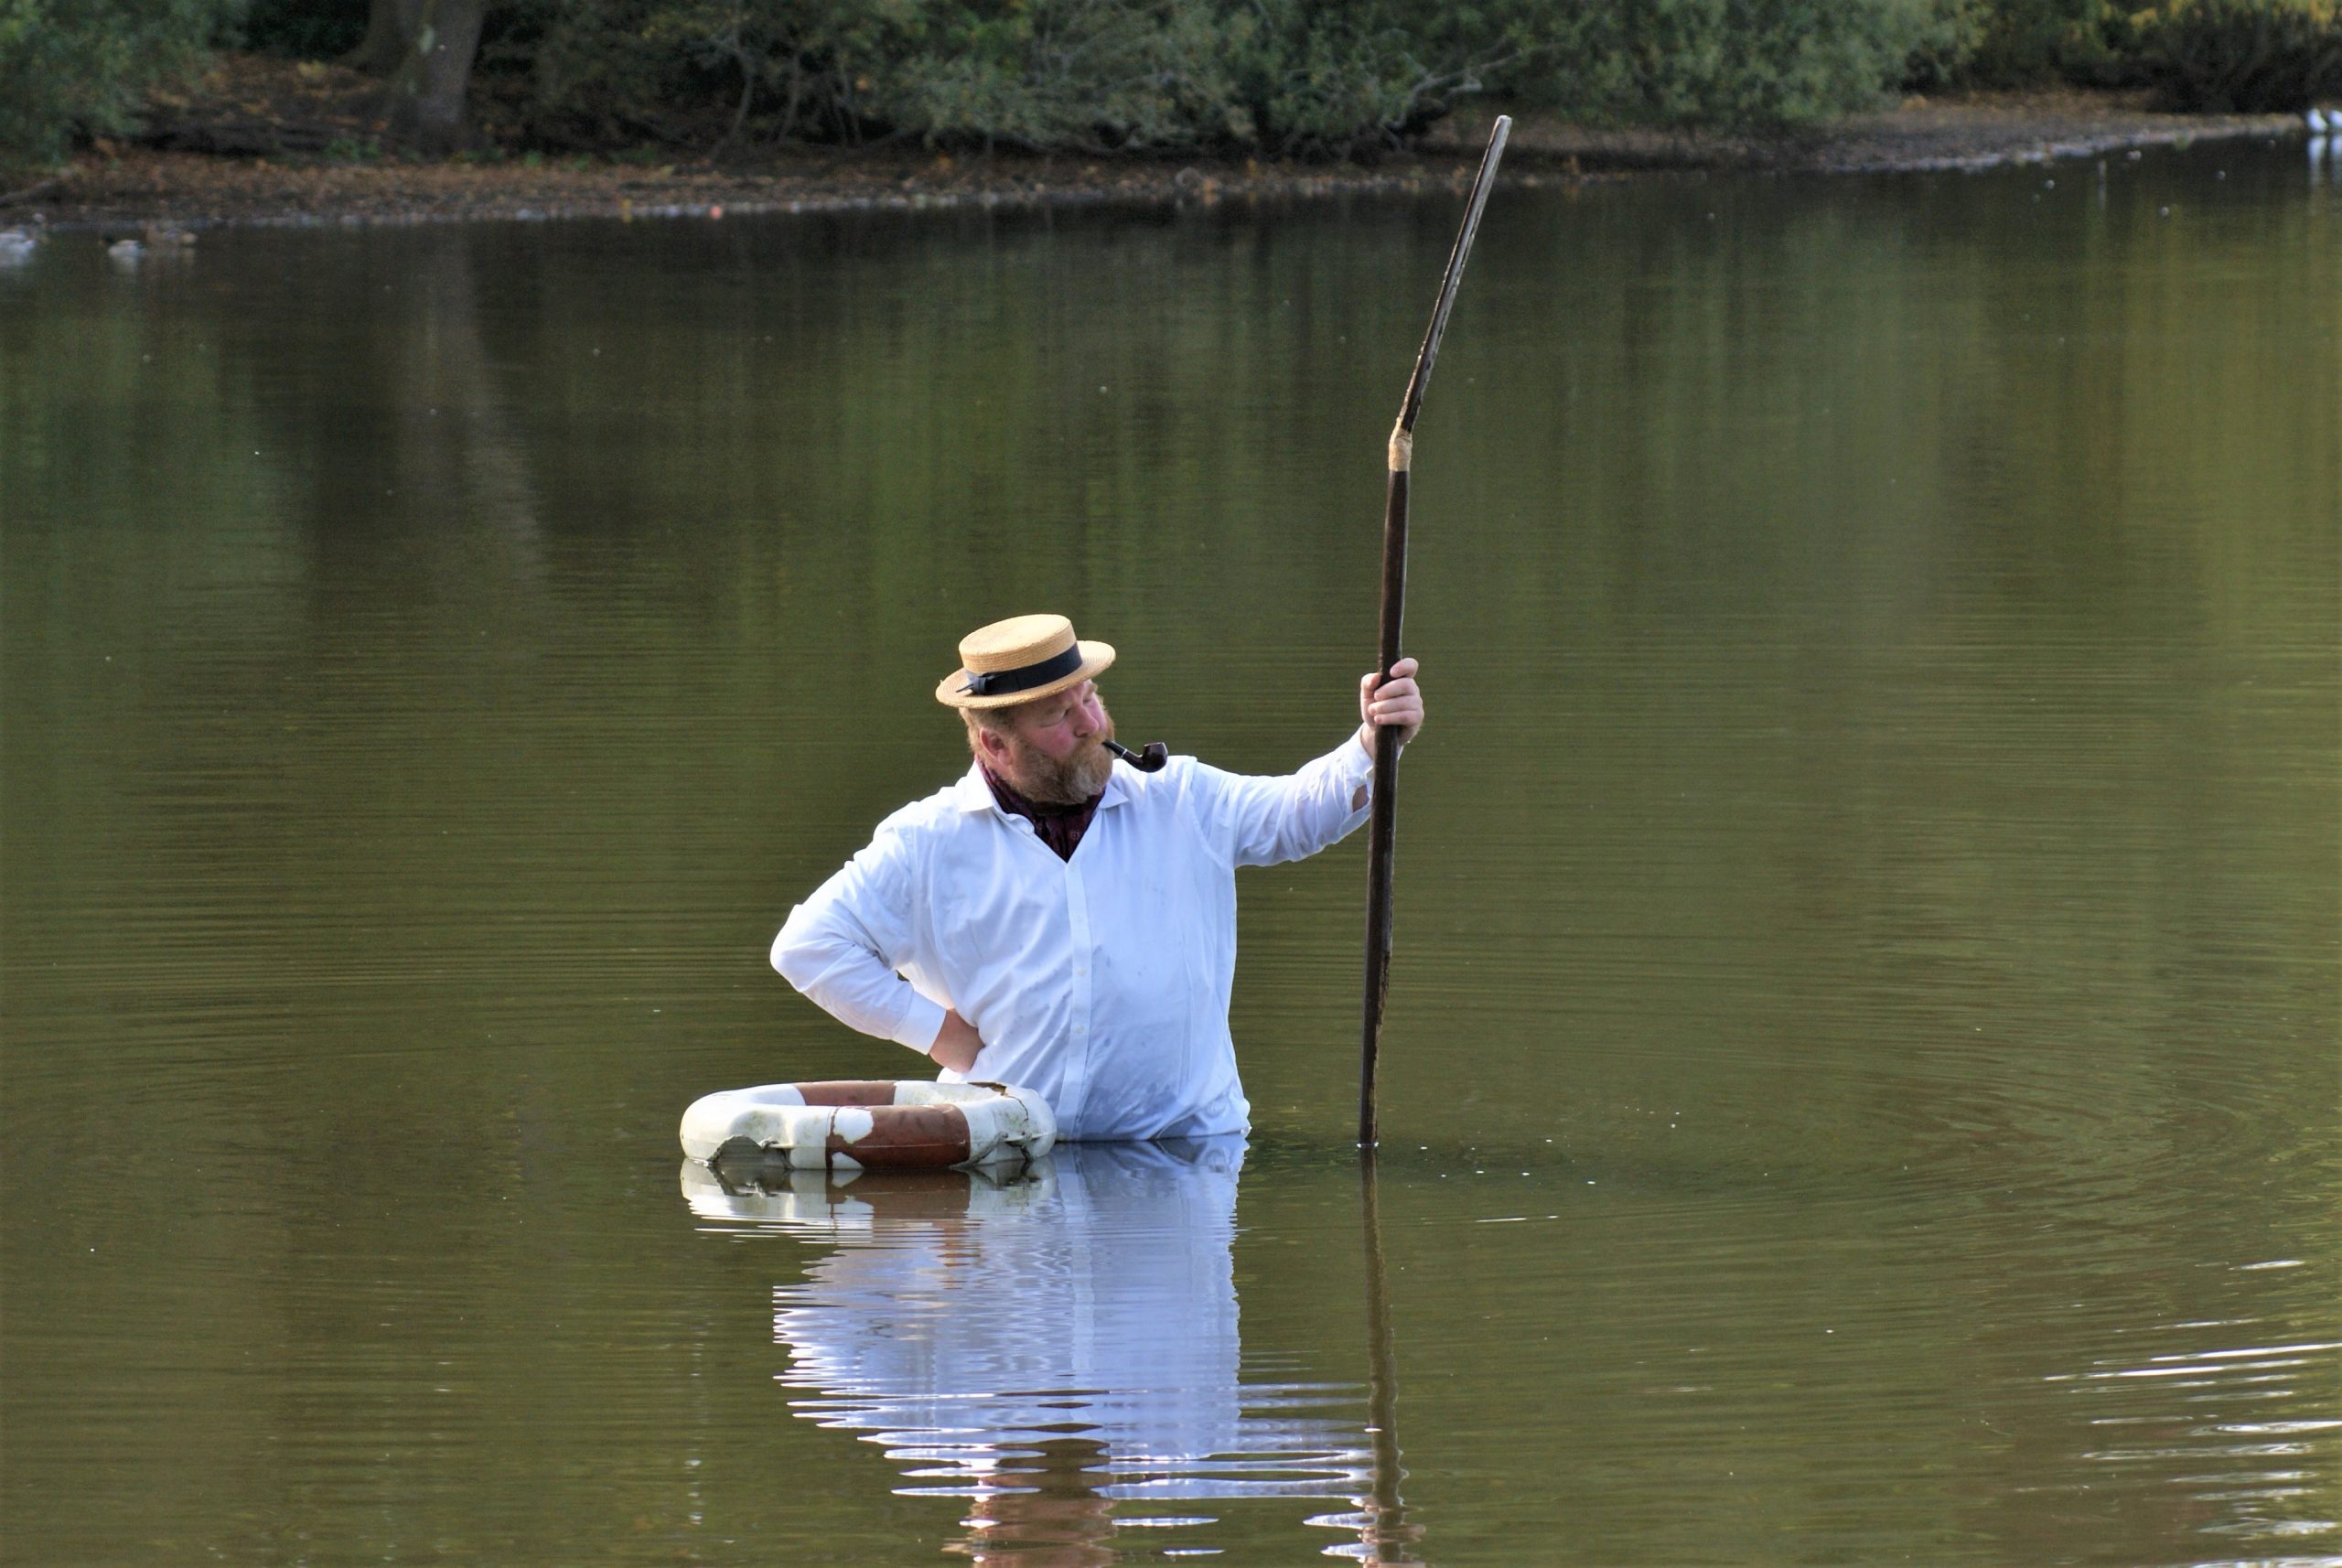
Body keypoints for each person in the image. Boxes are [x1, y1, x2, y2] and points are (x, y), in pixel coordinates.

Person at [770, 613, 1423, 1141]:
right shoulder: (927, 841)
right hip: (1007, 1152)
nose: (1092, 724)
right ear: (995, 744)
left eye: (1090, 697)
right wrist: (940, 1035)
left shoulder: (1180, 797)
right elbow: (809, 947)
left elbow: (1299, 813)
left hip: (1184, 1151)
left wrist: (1371, 742)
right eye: (1059, 717)